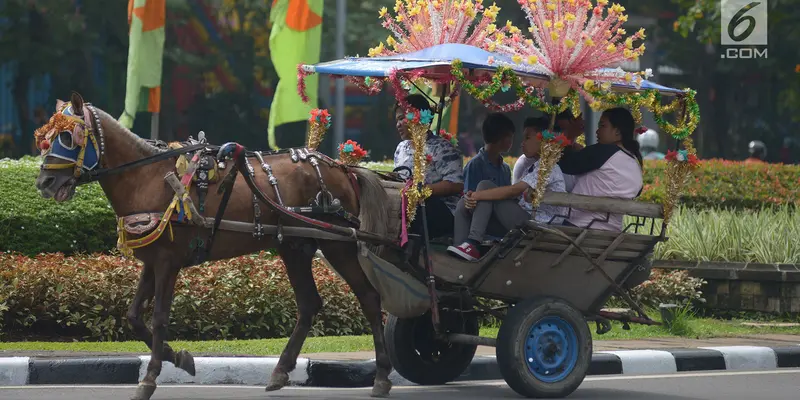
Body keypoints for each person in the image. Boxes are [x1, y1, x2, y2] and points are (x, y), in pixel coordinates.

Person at [447, 124, 567, 261]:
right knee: (464, 202)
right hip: (520, 219)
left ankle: (473, 243)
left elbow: (513, 191)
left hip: (538, 226)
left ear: (543, 142)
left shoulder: (548, 167)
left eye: (527, 138)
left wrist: (476, 195)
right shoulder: (532, 166)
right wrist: (473, 197)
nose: (522, 143)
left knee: (484, 186)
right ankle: (461, 249)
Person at [557, 107, 644, 232]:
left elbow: (564, 164)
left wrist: (570, 135)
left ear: (617, 132)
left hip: (577, 229)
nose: (597, 131)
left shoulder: (605, 151)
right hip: (612, 234)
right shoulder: (634, 162)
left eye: (602, 126)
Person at [393, 94, 464, 239]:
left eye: (402, 118)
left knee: (415, 211)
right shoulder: (401, 148)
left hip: (442, 210)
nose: (398, 124)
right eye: (397, 120)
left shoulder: (442, 147)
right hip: (408, 203)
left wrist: (420, 192)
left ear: (417, 116)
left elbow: (456, 184)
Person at [463, 113, 515, 192]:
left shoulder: (505, 169)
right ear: (500, 136)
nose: (511, 141)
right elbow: (469, 198)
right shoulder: (474, 166)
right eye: (510, 137)